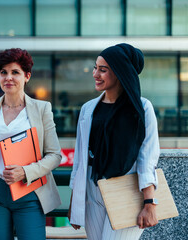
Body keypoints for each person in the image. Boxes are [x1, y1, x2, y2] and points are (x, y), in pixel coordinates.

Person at [0, 48, 62, 240]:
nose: (8, 77)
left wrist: (25, 172)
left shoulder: (42, 109)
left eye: (15, 72)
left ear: (27, 76)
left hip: (29, 192)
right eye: (3, 72)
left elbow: (55, 155)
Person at [68, 43, 160, 240]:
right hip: (93, 190)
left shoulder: (142, 108)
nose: (95, 74)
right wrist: (75, 204)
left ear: (120, 72)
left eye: (103, 70)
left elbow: (147, 158)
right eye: (95, 68)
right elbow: (80, 159)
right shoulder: (88, 109)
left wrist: (150, 203)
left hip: (127, 188)